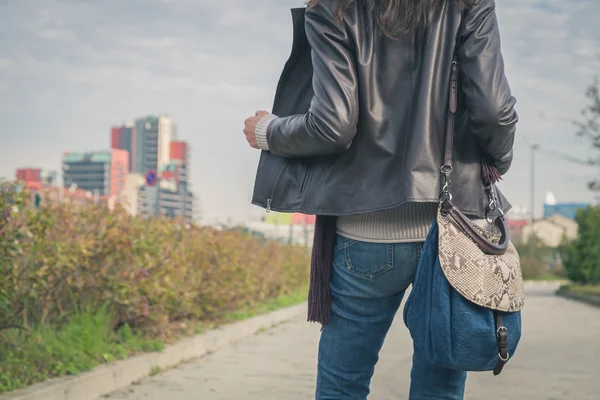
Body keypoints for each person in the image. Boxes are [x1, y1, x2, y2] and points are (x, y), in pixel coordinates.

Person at [243, 0, 517, 398]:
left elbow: (332, 125)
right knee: (440, 389)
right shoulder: (467, 4)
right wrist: (497, 163)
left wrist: (270, 130)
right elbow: (494, 112)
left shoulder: (334, 9)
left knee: (343, 385)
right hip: (455, 230)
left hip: (365, 233)